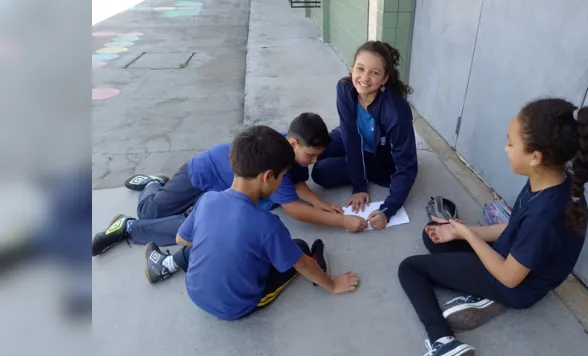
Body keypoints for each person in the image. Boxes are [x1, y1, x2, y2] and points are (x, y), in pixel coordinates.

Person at [396, 98, 588, 356]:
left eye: (511, 143)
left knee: (410, 269)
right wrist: (461, 231)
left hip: (516, 284)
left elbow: (508, 276)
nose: (506, 148)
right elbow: (512, 226)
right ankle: (483, 297)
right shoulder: (550, 180)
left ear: (535, 156)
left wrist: (468, 236)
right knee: (435, 236)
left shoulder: (545, 217)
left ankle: (444, 344)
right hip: (515, 260)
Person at [143, 126, 360, 318]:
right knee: (300, 248)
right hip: (235, 306)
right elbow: (302, 263)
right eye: (282, 176)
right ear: (268, 177)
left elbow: (181, 239)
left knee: (222, 241)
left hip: (194, 292)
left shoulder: (208, 199)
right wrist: (332, 285)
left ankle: (169, 264)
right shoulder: (268, 224)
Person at [92, 112, 370, 257]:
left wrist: (322, 203)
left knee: (199, 223)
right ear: (294, 143)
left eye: (317, 157)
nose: (312, 162)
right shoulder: (279, 161)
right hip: (203, 172)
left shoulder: (292, 156)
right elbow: (294, 208)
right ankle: (151, 187)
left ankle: (128, 228)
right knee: (150, 212)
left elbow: (298, 186)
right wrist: (342, 222)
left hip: (227, 192)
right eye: (311, 155)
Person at [311, 41, 418, 230]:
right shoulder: (344, 88)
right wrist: (358, 185)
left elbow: (407, 166)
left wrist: (388, 209)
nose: (365, 78)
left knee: (320, 172)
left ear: (384, 79)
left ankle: (362, 170)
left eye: (375, 73)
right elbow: (350, 136)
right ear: (352, 69)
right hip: (351, 138)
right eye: (360, 69)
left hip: (378, 157)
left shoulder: (396, 112)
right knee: (314, 148)